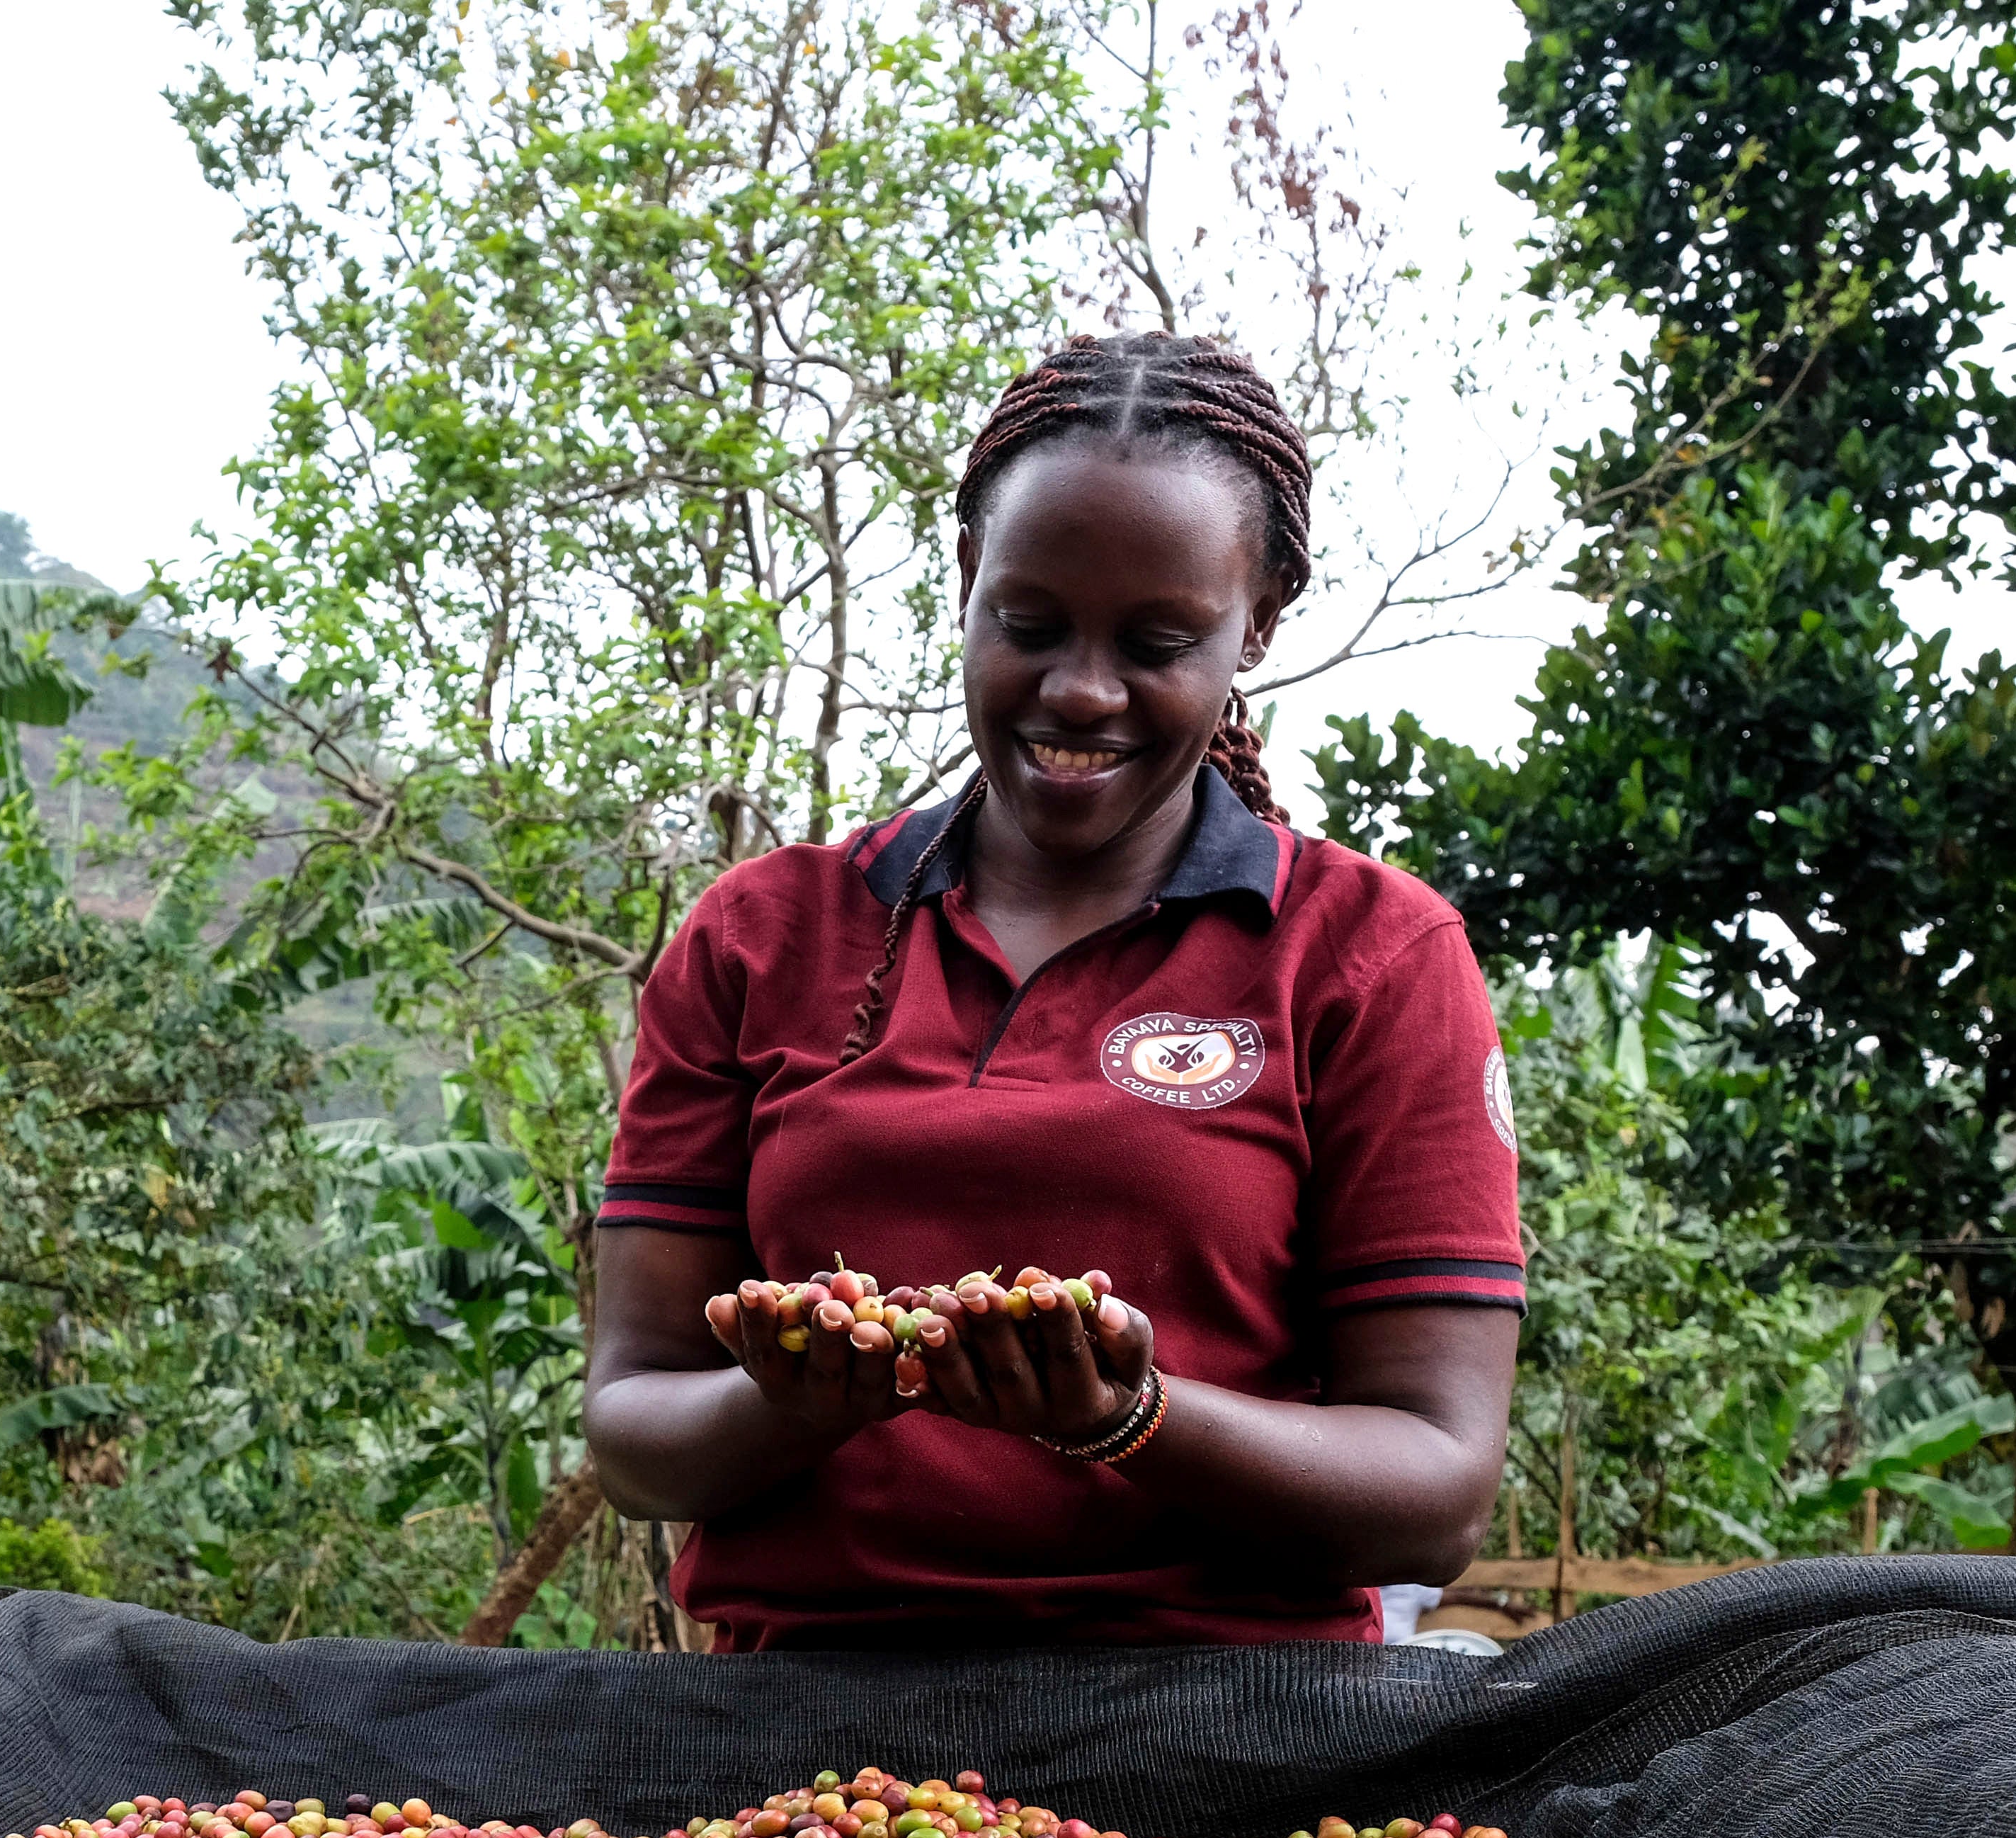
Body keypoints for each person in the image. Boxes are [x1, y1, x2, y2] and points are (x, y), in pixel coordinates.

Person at [581, 330, 1522, 1648]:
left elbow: (1434, 1493)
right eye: (1030, 625)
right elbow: (633, 1432)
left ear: (1258, 623)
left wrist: (1123, 1416)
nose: (1081, 690)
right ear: (969, 578)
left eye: (1158, 640)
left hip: (1236, 1744)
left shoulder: (1368, 955)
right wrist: (797, 1402)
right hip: (795, 1756)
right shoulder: (761, 937)